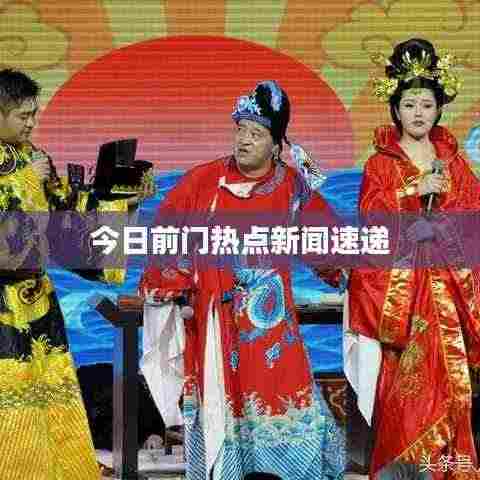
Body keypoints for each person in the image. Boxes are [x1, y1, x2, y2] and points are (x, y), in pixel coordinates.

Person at [139, 80, 345, 479]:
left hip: (273, 331)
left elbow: (330, 245)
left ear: (277, 144)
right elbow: (165, 237)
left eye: (257, 134)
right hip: (215, 326)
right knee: (222, 409)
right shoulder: (202, 182)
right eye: (240, 130)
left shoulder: (293, 187)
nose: (244, 140)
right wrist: (172, 282)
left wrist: (362, 279)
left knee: (283, 403)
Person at [0, 69, 151, 479]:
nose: (31, 123)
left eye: (34, 114)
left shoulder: (34, 158)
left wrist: (120, 199)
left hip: (38, 305)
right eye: (23, 115)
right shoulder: (28, 168)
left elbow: (69, 216)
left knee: (51, 400)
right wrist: (27, 182)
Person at [348, 38, 480, 479]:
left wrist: (440, 229)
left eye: (426, 104)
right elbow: (371, 226)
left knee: (451, 394)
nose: (419, 113)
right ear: (395, 109)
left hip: (446, 300)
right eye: (409, 104)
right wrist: (411, 195)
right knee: (404, 400)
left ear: (439, 109)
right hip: (404, 305)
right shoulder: (380, 165)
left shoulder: (455, 164)